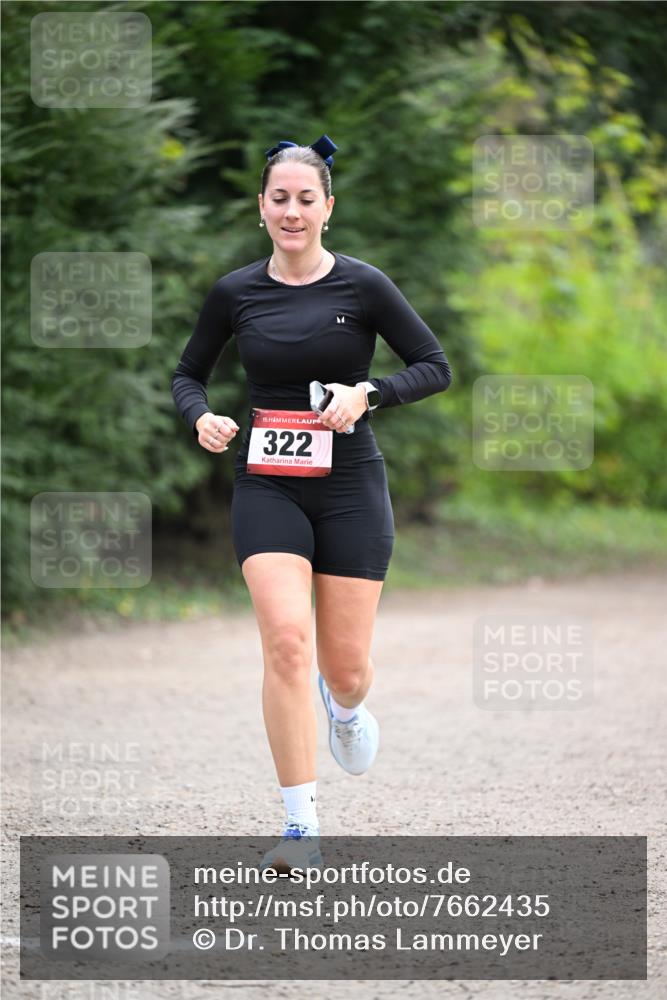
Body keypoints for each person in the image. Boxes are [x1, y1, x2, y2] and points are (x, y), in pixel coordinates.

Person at [171, 134, 452, 873]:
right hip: (266, 482)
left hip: (350, 485)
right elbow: (187, 374)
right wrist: (200, 414)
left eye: (305, 199)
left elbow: (434, 365)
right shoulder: (236, 292)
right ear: (261, 207)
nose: (291, 211)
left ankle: (348, 706)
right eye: (278, 198)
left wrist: (370, 393)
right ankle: (301, 826)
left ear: (327, 207)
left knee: (345, 666)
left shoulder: (362, 286)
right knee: (287, 643)